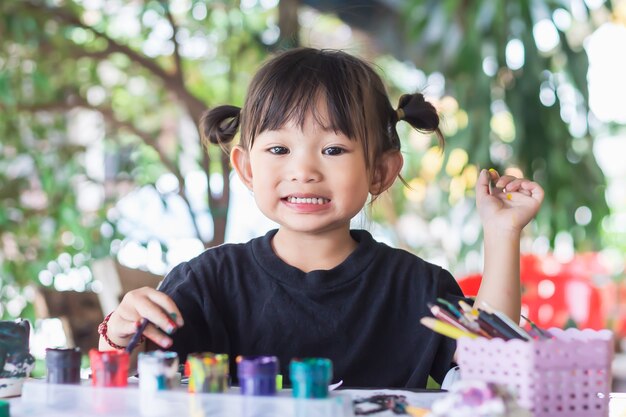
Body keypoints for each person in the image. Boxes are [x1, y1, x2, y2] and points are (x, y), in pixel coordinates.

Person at [98, 48, 544, 388]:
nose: (304, 171)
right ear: (247, 169)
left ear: (380, 171)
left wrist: (503, 233)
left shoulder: (418, 287)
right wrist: (119, 335)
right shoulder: (207, 282)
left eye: (333, 150)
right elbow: (125, 381)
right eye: (278, 149)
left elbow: (494, 367)